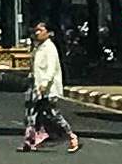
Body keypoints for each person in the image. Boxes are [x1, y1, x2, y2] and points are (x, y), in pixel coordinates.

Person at [22, 20, 81, 153]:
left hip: (48, 88)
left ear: (49, 33)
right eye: (36, 30)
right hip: (36, 86)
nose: (37, 33)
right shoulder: (38, 47)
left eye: (41, 30)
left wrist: (44, 84)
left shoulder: (50, 48)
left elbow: (51, 69)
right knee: (31, 114)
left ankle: (71, 136)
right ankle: (30, 141)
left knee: (52, 114)